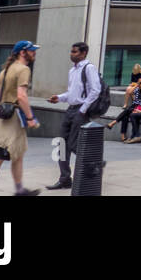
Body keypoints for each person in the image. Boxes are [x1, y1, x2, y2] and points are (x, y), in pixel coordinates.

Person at [0, 41, 42, 195]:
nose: (34, 53)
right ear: (22, 52)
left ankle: (20, 190)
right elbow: (21, 96)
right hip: (12, 120)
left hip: (3, 118)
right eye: (32, 50)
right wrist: (30, 117)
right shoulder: (23, 70)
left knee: (18, 155)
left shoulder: (6, 70)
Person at [46, 41, 104, 191]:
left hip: (80, 111)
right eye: (71, 51)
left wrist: (83, 110)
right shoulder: (72, 71)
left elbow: (95, 90)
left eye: (75, 52)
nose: (71, 54)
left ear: (83, 53)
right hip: (70, 110)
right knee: (61, 145)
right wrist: (58, 98)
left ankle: (94, 161)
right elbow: (72, 94)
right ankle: (65, 179)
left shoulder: (89, 68)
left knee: (72, 144)